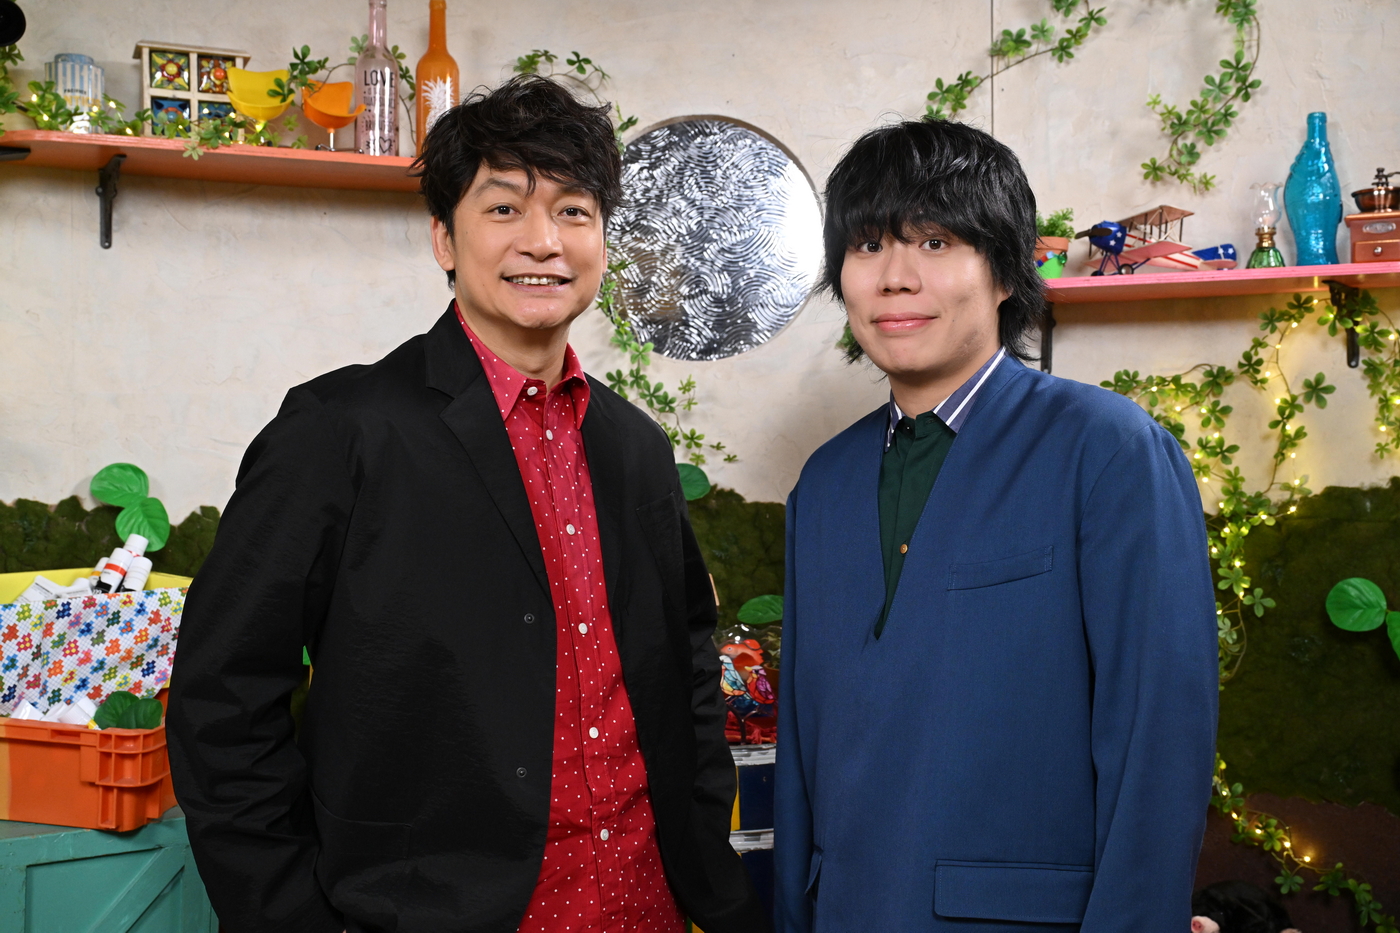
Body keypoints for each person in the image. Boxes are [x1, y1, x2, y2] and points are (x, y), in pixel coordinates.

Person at [167, 75, 769, 933]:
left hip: (649, 905)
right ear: (443, 238)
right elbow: (220, 701)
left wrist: (704, 846)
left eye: (573, 211)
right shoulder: (341, 430)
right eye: (504, 208)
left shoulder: (635, 446)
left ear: (603, 239)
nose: (543, 241)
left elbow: (686, 663)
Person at [773, 118, 1219, 932]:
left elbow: (1159, 747)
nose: (895, 278)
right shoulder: (822, 485)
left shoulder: (1108, 450)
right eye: (868, 246)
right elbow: (801, 758)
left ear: (1006, 272)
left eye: (935, 242)